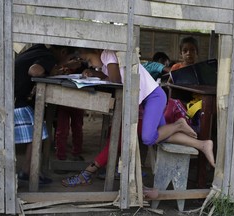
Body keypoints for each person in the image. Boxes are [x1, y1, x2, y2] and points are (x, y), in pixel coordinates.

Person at [61, 48, 215, 190]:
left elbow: (115, 80)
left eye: (87, 59)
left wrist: (95, 71)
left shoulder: (108, 53)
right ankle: (202, 144)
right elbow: (114, 77)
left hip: (153, 97)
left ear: (94, 50)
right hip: (145, 100)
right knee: (160, 136)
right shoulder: (107, 63)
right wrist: (95, 73)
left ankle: (178, 125)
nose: (89, 64)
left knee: (148, 137)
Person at [0, 44, 77, 184]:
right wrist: (53, 69)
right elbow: (34, 70)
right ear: (63, 52)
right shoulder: (49, 57)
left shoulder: (37, 49)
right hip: (11, 101)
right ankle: (28, 171)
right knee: (38, 131)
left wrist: (54, 69)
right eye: (69, 57)